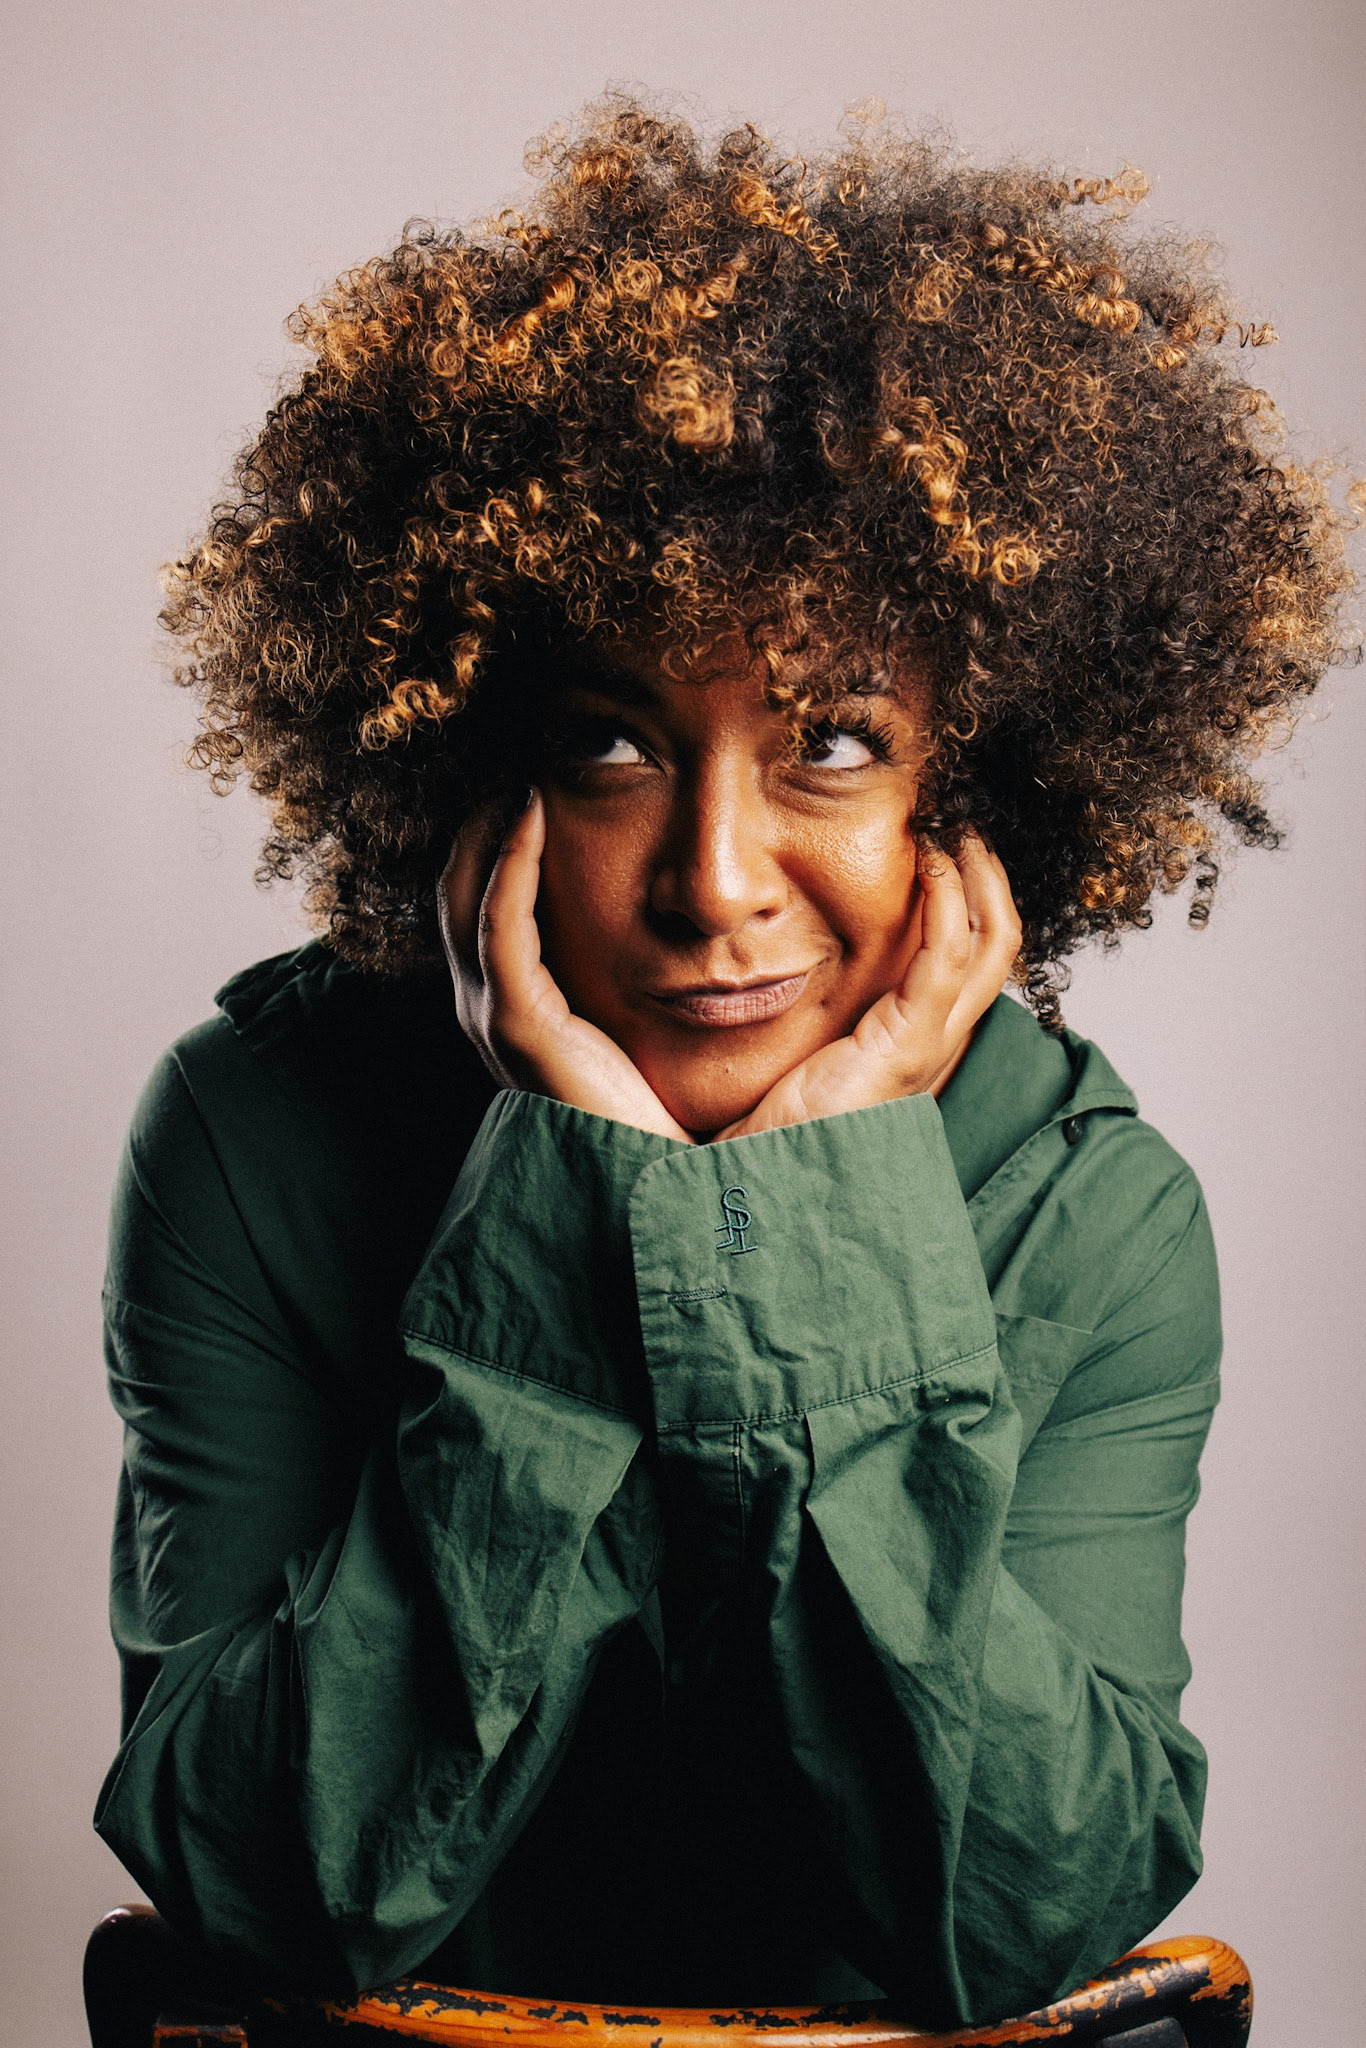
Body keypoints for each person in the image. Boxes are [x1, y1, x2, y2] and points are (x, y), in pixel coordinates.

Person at [95, 100, 1354, 2031]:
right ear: (472, 766)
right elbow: (268, 1885)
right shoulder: (256, 1138)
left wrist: (824, 1218)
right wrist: (569, 1220)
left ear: (974, 788)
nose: (711, 882)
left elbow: (1028, 1914)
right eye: (609, 746)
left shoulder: (1090, 1216)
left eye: (831, 743)